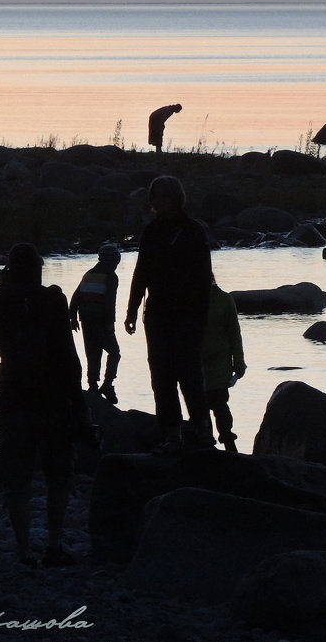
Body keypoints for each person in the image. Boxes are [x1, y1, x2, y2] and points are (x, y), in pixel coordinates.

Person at [0, 243, 94, 567]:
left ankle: (23, 550)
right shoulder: (53, 299)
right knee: (59, 476)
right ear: (39, 270)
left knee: (17, 480)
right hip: (54, 400)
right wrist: (80, 403)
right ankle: (54, 545)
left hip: (13, 399)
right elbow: (69, 357)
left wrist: (2, 289)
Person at [125, 175, 213, 454]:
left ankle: (202, 430)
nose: (157, 202)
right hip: (158, 313)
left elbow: (204, 277)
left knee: (189, 373)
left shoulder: (194, 231)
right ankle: (172, 434)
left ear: (175, 197)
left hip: (188, 314)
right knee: (161, 375)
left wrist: (200, 316)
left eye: (162, 196)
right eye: (154, 197)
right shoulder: (151, 232)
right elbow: (141, 273)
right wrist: (132, 308)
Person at [68, 243, 122, 404]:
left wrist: (72, 318)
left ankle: (92, 386)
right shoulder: (111, 277)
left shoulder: (88, 274)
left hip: (86, 321)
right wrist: (110, 324)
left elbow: (75, 297)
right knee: (114, 352)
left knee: (93, 354)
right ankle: (107, 384)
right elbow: (109, 302)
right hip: (101, 321)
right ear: (112, 261)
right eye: (116, 263)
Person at [201, 275, 247, 453]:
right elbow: (235, 334)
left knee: (216, 403)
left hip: (217, 364)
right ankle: (219, 441)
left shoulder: (224, 300)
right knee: (212, 404)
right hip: (207, 364)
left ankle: (224, 439)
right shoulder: (222, 299)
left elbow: (235, 334)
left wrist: (239, 362)